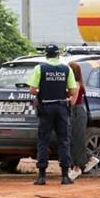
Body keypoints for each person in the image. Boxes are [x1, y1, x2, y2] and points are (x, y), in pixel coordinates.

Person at [28, 44, 78, 185]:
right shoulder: (66, 69)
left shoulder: (40, 68)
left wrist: (42, 92)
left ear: (46, 55)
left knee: (43, 140)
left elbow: (32, 90)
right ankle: (64, 176)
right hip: (61, 107)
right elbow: (73, 91)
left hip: (45, 107)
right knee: (64, 140)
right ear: (58, 55)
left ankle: (42, 176)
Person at [67, 62, 100, 181]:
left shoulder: (75, 84)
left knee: (76, 140)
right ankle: (90, 158)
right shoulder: (80, 83)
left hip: (76, 112)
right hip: (78, 112)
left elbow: (73, 102)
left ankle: (77, 168)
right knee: (74, 139)